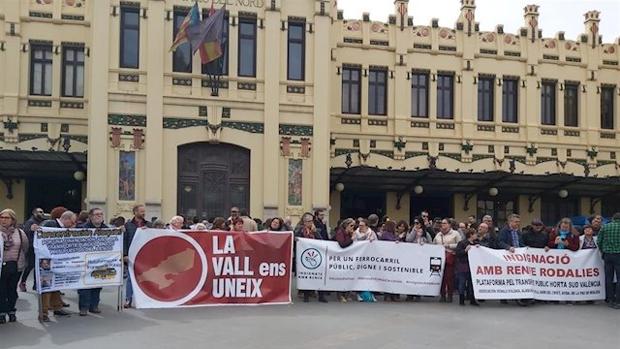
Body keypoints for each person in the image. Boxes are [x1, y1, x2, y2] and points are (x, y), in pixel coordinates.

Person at [40, 210, 76, 321]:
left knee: (57, 285)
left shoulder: (66, 229)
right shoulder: (49, 224)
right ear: (66, 219)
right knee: (46, 287)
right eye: (72, 222)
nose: (73, 225)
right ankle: (44, 313)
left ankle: (57, 307)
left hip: (59, 262)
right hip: (47, 262)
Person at [77, 208, 109, 316]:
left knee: (97, 284)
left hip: (100, 262)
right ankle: (83, 307)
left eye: (101, 214)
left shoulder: (107, 229)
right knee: (84, 285)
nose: (99, 216)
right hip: (85, 261)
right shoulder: (82, 228)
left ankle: (94, 305)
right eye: (96, 214)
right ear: (90, 217)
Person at [0, 209, 29, 324]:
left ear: (13, 219)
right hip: (1, 267)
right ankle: (2, 312)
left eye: (6, 218)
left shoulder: (20, 233)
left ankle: (12, 311)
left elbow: (25, 247)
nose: (3, 220)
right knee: (1, 291)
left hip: (16, 266)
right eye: (1, 217)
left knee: (12, 290)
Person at [294, 212, 328, 303]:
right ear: (304, 222)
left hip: (316, 255)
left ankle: (321, 295)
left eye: (311, 221)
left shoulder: (315, 230)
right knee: (307, 275)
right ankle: (306, 295)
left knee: (319, 275)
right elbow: (295, 238)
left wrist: (315, 232)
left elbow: (321, 240)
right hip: (305, 256)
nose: (310, 223)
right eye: (308, 221)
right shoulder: (300, 230)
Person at [123, 204, 150, 309]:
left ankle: (146, 299)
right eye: (141, 211)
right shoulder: (128, 225)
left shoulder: (148, 225)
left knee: (146, 277)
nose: (143, 213)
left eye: (144, 211)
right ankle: (128, 299)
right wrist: (125, 254)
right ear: (135, 212)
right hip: (132, 255)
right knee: (130, 278)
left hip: (145, 255)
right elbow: (125, 240)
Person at [433, 218, 462, 303]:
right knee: (440, 277)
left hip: (450, 257)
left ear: (449, 224)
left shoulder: (455, 233)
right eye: (442, 223)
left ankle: (450, 295)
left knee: (449, 277)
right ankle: (442, 295)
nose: (443, 225)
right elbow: (434, 244)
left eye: (445, 223)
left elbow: (460, 244)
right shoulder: (438, 234)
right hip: (439, 258)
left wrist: (449, 245)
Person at [19, 207, 45, 292]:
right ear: (34, 213)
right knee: (30, 265)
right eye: (40, 212)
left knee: (37, 265)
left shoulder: (42, 222)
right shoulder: (30, 222)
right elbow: (25, 232)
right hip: (31, 247)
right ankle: (22, 282)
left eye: (42, 212)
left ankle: (36, 284)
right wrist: (31, 229)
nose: (42, 214)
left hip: (39, 247)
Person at [597, 212, 620, 309]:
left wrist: (603, 250)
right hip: (619, 254)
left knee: (608, 277)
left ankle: (609, 299)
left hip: (607, 255)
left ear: (613, 218)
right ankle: (618, 300)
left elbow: (599, 241)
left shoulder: (605, 227)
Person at [456, 228, 480, 306]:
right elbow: (458, 253)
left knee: (472, 283)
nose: (476, 235)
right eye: (475, 234)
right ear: (471, 235)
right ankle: (461, 299)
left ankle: (472, 299)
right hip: (463, 265)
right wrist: (465, 251)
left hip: (473, 266)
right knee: (462, 282)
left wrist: (478, 248)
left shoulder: (476, 243)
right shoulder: (462, 243)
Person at [335, 218, 355, 303]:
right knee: (341, 276)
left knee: (348, 276)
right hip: (339, 258)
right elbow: (342, 244)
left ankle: (346, 294)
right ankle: (340, 295)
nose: (352, 227)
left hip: (348, 258)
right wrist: (352, 239)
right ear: (346, 225)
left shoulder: (350, 233)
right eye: (351, 225)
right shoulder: (340, 232)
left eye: (354, 226)